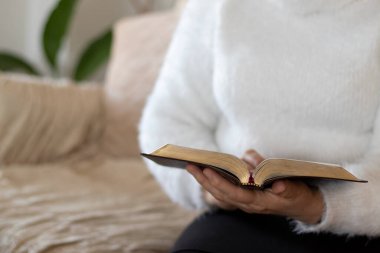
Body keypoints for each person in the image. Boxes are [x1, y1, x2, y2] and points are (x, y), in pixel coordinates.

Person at [139, 0, 380, 252]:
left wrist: (312, 204)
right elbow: (169, 119)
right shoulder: (214, 6)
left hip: (357, 225)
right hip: (240, 214)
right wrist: (217, 190)